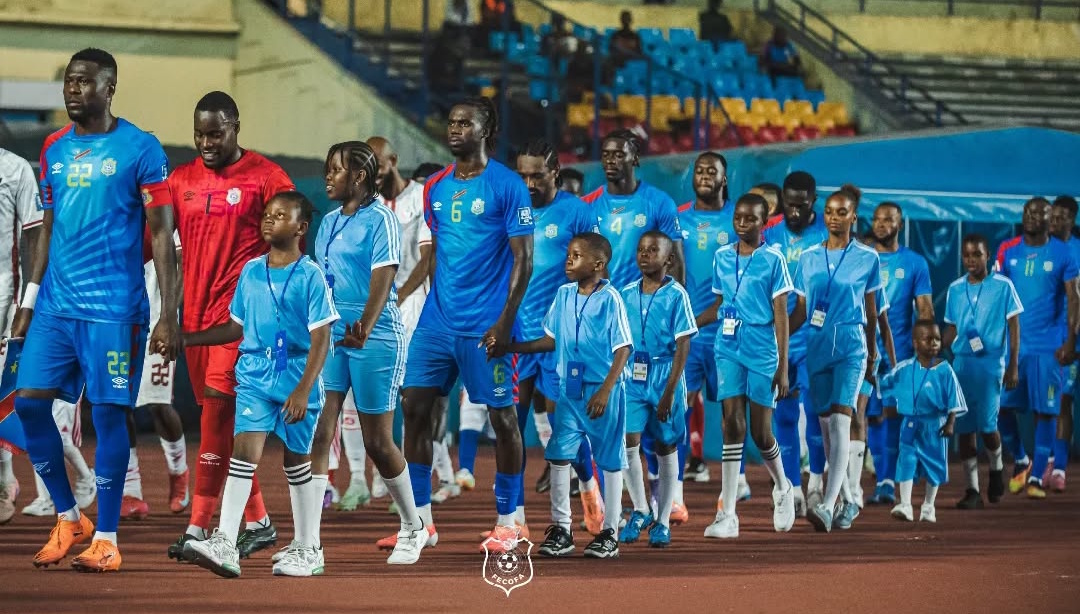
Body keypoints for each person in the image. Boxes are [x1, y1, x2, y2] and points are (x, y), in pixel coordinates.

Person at [13, 48, 180, 572]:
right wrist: (29, 300)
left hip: (113, 310)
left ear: (110, 89)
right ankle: (69, 517)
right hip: (56, 308)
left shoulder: (141, 148)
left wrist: (169, 314)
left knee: (109, 417)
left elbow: (162, 236)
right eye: (69, 81)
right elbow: (48, 227)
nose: (73, 89)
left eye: (85, 81)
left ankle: (106, 537)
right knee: (28, 405)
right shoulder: (54, 148)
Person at [383, 96, 533, 555]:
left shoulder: (508, 185)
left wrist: (505, 323)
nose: (455, 129)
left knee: (503, 419)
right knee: (414, 408)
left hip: (487, 325)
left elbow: (524, 260)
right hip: (437, 322)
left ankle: (508, 523)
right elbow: (437, 254)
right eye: (451, 121)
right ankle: (421, 522)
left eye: (465, 123)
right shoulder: (436, 187)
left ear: (487, 130)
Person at [167, 91, 294, 561]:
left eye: (215, 134)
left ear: (236, 126)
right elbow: (160, 246)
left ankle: (199, 527)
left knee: (215, 418)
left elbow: (292, 240)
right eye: (199, 134)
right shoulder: (181, 180)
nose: (206, 143)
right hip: (196, 322)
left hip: (242, 323)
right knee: (224, 427)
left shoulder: (267, 177)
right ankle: (258, 522)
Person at [182, 191, 335, 578]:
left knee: (296, 462)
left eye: (280, 215)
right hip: (253, 373)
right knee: (243, 453)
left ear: (301, 228)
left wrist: (303, 389)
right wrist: (188, 339)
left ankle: (309, 547)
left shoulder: (310, 275)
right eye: (267, 214)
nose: (269, 219)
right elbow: (235, 327)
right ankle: (225, 542)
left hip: (296, 374)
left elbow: (322, 337)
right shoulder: (251, 270)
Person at [307, 141, 424, 565]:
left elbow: (384, 276)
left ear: (358, 176)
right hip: (334, 334)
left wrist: (365, 327)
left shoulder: (382, 219)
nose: (328, 177)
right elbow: (323, 280)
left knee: (378, 441)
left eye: (335, 169)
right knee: (320, 430)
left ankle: (413, 526)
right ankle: (307, 543)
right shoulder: (328, 221)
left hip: (376, 337)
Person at [505, 232, 631, 559]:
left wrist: (606, 390)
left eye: (577, 256)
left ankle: (610, 532)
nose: (569, 261)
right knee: (559, 456)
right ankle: (562, 528)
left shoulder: (611, 299)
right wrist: (512, 347)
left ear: (598, 265)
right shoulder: (563, 294)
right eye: (569, 255)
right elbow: (550, 340)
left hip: (602, 391)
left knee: (609, 460)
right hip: (569, 391)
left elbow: (623, 348)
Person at [585, 129, 686, 521]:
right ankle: (634, 504)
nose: (611, 160)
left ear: (635, 158)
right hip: (607, 325)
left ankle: (669, 496)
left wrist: (675, 315)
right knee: (619, 423)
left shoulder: (658, 202)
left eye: (619, 153)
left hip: (652, 328)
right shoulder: (590, 205)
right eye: (606, 153)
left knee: (662, 421)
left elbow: (676, 262)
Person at [349, 136, 444, 511]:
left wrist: (400, 295)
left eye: (378, 161)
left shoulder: (420, 197)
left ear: (393, 160)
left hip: (410, 306)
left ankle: (405, 484)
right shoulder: (363, 204)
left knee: (410, 398)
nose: (372, 170)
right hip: (371, 307)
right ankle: (361, 479)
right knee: (364, 396)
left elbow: (428, 256)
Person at [0, 150, 95, 525]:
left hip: (29, 314)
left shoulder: (15, 170)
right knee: (31, 414)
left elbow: (35, 237)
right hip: (46, 319)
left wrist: (29, 305)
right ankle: (50, 493)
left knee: (34, 412)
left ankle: (77, 483)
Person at [515, 140, 603, 534]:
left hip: (560, 339)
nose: (528, 184)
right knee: (510, 426)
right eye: (522, 176)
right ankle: (512, 519)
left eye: (537, 176)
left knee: (564, 423)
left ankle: (588, 487)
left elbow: (598, 271)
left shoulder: (577, 212)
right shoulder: (510, 208)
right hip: (517, 334)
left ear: (555, 172)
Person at [698, 193, 795, 538]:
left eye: (751, 218)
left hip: (762, 348)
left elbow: (781, 315)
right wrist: (690, 325)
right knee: (732, 424)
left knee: (761, 433)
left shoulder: (773, 259)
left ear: (764, 221)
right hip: (727, 346)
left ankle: (782, 486)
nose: (742, 223)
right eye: (738, 217)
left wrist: (783, 366)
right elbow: (720, 304)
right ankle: (727, 514)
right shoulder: (722, 256)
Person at [789, 186, 882, 533]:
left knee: (843, 421)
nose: (834, 218)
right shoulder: (808, 257)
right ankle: (848, 499)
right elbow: (801, 310)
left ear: (853, 217)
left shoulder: (868, 258)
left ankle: (827, 506)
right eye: (829, 211)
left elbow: (872, 312)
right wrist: (775, 336)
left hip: (851, 346)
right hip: (816, 344)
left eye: (842, 212)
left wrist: (873, 353)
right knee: (827, 427)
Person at [618, 231, 697, 548]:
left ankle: (663, 519)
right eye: (641, 249)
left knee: (665, 446)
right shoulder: (625, 293)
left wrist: (670, 391)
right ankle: (640, 508)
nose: (644, 255)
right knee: (628, 440)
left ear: (669, 259)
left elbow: (683, 345)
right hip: (633, 375)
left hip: (666, 374)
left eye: (653, 250)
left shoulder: (677, 295)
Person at [995, 197, 1078, 499]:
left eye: (1039, 213)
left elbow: (1074, 298)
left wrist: (1070, 341)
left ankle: (1038, 477)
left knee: (1048, 410)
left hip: (1048, 347)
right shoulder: (1009, 251)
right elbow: (998, 295)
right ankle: (1021, 458)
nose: (1032, 217)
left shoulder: (1064, 253)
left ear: (1049, 217)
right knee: (1000, 409)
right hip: (1014, 347)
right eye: (1028, 212)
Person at [763, 171, 827, 516]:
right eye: (789, 204)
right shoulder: (769, 234)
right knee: (785, 414)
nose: (795, 211)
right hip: (778, 341)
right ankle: (793, 489)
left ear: (813, 202)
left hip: (816, 338)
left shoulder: (827, 235)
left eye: (802, 205)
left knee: (816, 411)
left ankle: (816, 483)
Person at [944, 234, 1021, 509]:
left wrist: (1013, 365)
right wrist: (935, 350)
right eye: (966, 255)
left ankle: (997, 469)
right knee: (964, 429)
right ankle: (972, 490)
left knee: (988, 427)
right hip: (962, 364)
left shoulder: (1003, 286)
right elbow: (952, 328)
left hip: (990, 364)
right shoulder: (955, 289)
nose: (971, 260)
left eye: (977, 254)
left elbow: (1014, 326)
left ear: (988, 255)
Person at [864, 201, 934, 506]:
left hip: (900, 350)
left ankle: (889, 480)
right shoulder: (863, 258)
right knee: (871, 416)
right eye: (877, 219)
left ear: (900, 224)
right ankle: (883, 478)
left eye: (888, 219)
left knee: (894, 413)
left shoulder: (915, 263)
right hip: (865, 348)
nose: (881, 224)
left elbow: (925, 309)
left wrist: (926, 347)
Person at [120, 228, 187, 520]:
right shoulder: (117, 208)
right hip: (119, 319)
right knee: (119, 404)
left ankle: (178, 471)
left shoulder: (166, 214)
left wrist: (169, 317)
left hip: (158, 319)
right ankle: (131, 489)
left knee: (159, 404)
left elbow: (183, 266)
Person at [678, 152, 733, 490]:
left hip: (728, 333)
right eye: (699, 170)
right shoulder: (678, 219)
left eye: (712, 171)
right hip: (689, 335)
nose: (704, 176)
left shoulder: (738, 219)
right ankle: (676, 486)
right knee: (679, 404)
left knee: (731, 409)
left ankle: (736, 482)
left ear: (724, 178)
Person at [880, 320, 967, 522]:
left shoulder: (945, 370)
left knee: (934, 465)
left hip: (935, 425)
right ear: (915, 343)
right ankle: (905, 504)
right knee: (906, 461)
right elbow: (885, 383)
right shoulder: (904, 368)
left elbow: (954, 398)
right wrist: (871, 373)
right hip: (910, 425)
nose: (934, 343)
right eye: (928, 339)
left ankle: (929, 506)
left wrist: (950, 423)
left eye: (937, 339)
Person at [1046, 195, 1079, 491]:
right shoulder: (1041, 249)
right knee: (1052, 401)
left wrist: (1072, 340)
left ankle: (1058, 467)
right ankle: (1049, 462)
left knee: (1063, 401)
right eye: (1051, 217)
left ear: (1072, 219)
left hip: (1072, 339)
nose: (1053, 222)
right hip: (1048, 341)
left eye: (1060, 218)